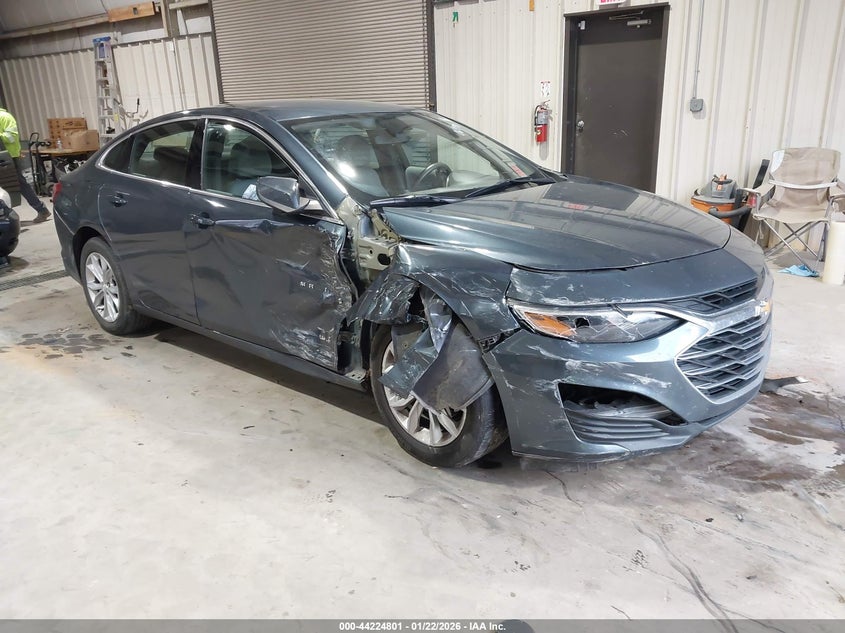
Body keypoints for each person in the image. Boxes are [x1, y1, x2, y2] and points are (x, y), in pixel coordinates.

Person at [0, 105, 51, 223]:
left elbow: (11, 137)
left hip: (9, 157)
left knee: (20, 184)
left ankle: (41, 209)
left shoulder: (5, 117)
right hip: (4, 156)